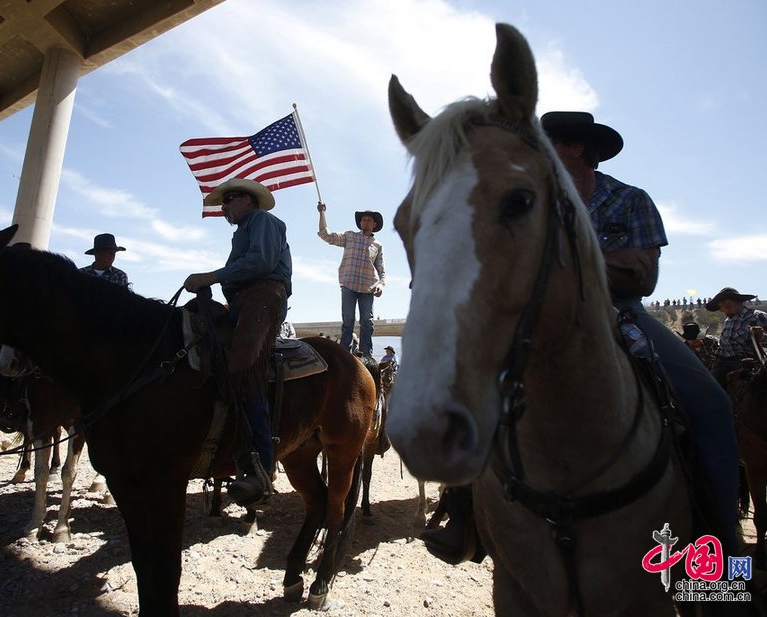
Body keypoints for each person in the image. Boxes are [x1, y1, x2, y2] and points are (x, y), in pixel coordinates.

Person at [423, 111, 741, 563]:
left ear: (573, 148)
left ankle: (718, 556)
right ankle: (462, 513)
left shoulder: (629, 200)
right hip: (532, 319)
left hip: (619, 316)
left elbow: (642, 277)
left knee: (710, 405)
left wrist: (554, 258)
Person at [183, 178, 292, 507]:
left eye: (228, 200)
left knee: (244, 365)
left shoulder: (262, 221)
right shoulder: (241, 230)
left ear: (247, 199)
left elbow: (260, 263)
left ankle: (259, 465)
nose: (224, 207)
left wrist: (211, 277)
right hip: (244, 300)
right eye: (223, 202)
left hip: (264, 296)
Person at [317, 204, 386, 357]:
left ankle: (366, 356)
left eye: (368, 220)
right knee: (348, 321)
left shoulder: (377, 246)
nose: (365, 222)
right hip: (348, 285)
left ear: (374, 225)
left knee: (367, 323)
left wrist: (381, 285)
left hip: (368, 288)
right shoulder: (350, 236)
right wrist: (322, 213)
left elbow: (381, 270)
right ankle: (344, 356)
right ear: (360, 223)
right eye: (363, 219)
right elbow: (325, 235)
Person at [706, 287, 767, 388]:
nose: (721, 310)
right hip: (721, 363)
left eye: (721, 307)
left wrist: (762, 337)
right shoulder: (728, 321)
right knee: (706, 387)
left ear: (729, 302)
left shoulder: (757, 316)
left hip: (746, 363)